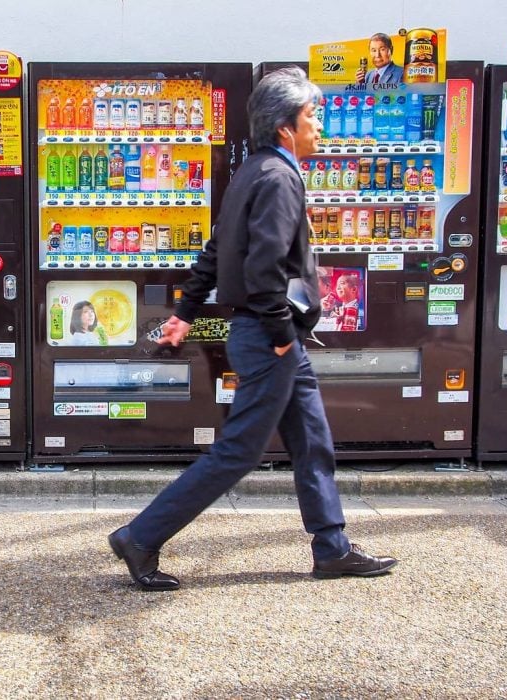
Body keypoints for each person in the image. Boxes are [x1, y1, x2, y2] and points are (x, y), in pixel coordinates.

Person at [108, 66, 397, 592]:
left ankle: (331, 547)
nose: (319, 127)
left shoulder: (253, 171)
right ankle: (141, 536)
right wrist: (284, 335)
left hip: (270, 334)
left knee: (312, 441)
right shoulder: (280, 177)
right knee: (239, 451)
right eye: (312, 116)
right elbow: (264, 271)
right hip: (270, 337)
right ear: (286, 126)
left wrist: (186, 311)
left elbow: (217, 251)